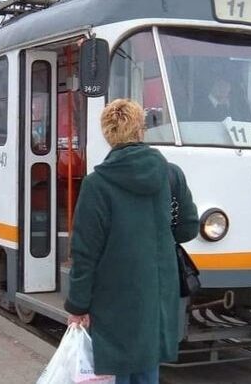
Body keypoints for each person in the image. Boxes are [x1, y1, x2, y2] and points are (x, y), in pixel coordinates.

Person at [65, 99, 199, 384]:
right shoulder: (170, 174)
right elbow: (188, 228)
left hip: (112, 297)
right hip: (156, 291)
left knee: (114, 370)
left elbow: (85, 252)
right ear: (141, 129)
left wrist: (77, 306)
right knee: (146, 366)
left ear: (108, 134)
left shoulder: (97, 184)